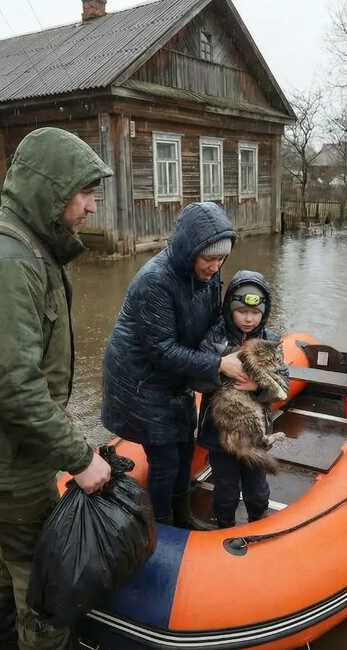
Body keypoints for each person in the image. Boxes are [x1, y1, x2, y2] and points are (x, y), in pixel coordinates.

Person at [0, 127, 114, 650]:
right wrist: (80, 457)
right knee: (44, 581)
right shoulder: (7, 261)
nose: (92, 207)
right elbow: (13, 385)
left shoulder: (30, 245)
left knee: (12, 551)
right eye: (85, 193)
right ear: (51, 191)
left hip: (8, 449)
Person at [101, 201, 248, 528]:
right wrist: (219, 364)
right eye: (209, 258)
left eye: (221, 259)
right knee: (165, 459)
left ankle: (183, 516)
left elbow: (214, 320)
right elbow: (162, 350)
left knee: (185, 447)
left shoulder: (211, 272)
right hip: (140, 382)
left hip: (176, 379)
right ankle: (162, 526)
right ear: (188, 250)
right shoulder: (154, 281)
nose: (215, 266)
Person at [195, 270, 284, 527]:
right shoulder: (213, 337)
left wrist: (256, 386)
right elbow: (196, 380)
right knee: (226, 489)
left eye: (255, 312)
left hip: (254, 434)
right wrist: (222, 369)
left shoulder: (272, 340)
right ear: (229, 308)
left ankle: (258, 519)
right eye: (242, 311)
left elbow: (282, 387)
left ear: (264, 312)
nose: (248, 318)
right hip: (219, 434)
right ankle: (224, 525)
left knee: (257, 487)